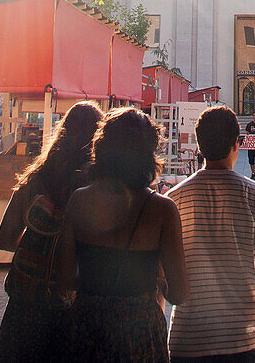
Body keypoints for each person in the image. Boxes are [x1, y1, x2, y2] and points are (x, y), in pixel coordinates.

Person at [58, 107, 188, 362]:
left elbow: (63, 279)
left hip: (88, 327)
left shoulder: (79, 200)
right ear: (149, 153)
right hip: (140, 333)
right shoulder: (162, 209)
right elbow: (180, 293)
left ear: (102, 150)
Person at [167, 105, 255, 363]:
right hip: (244, 335)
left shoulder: (172, 200)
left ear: (199, 146)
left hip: (189, 337)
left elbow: (162, 279)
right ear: (238, 143)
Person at [0, 100, 103, 363]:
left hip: (25, 304)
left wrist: (41, 238)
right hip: (72, 307)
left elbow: (5, 240)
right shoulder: (98, 190)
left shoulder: (35, 180)